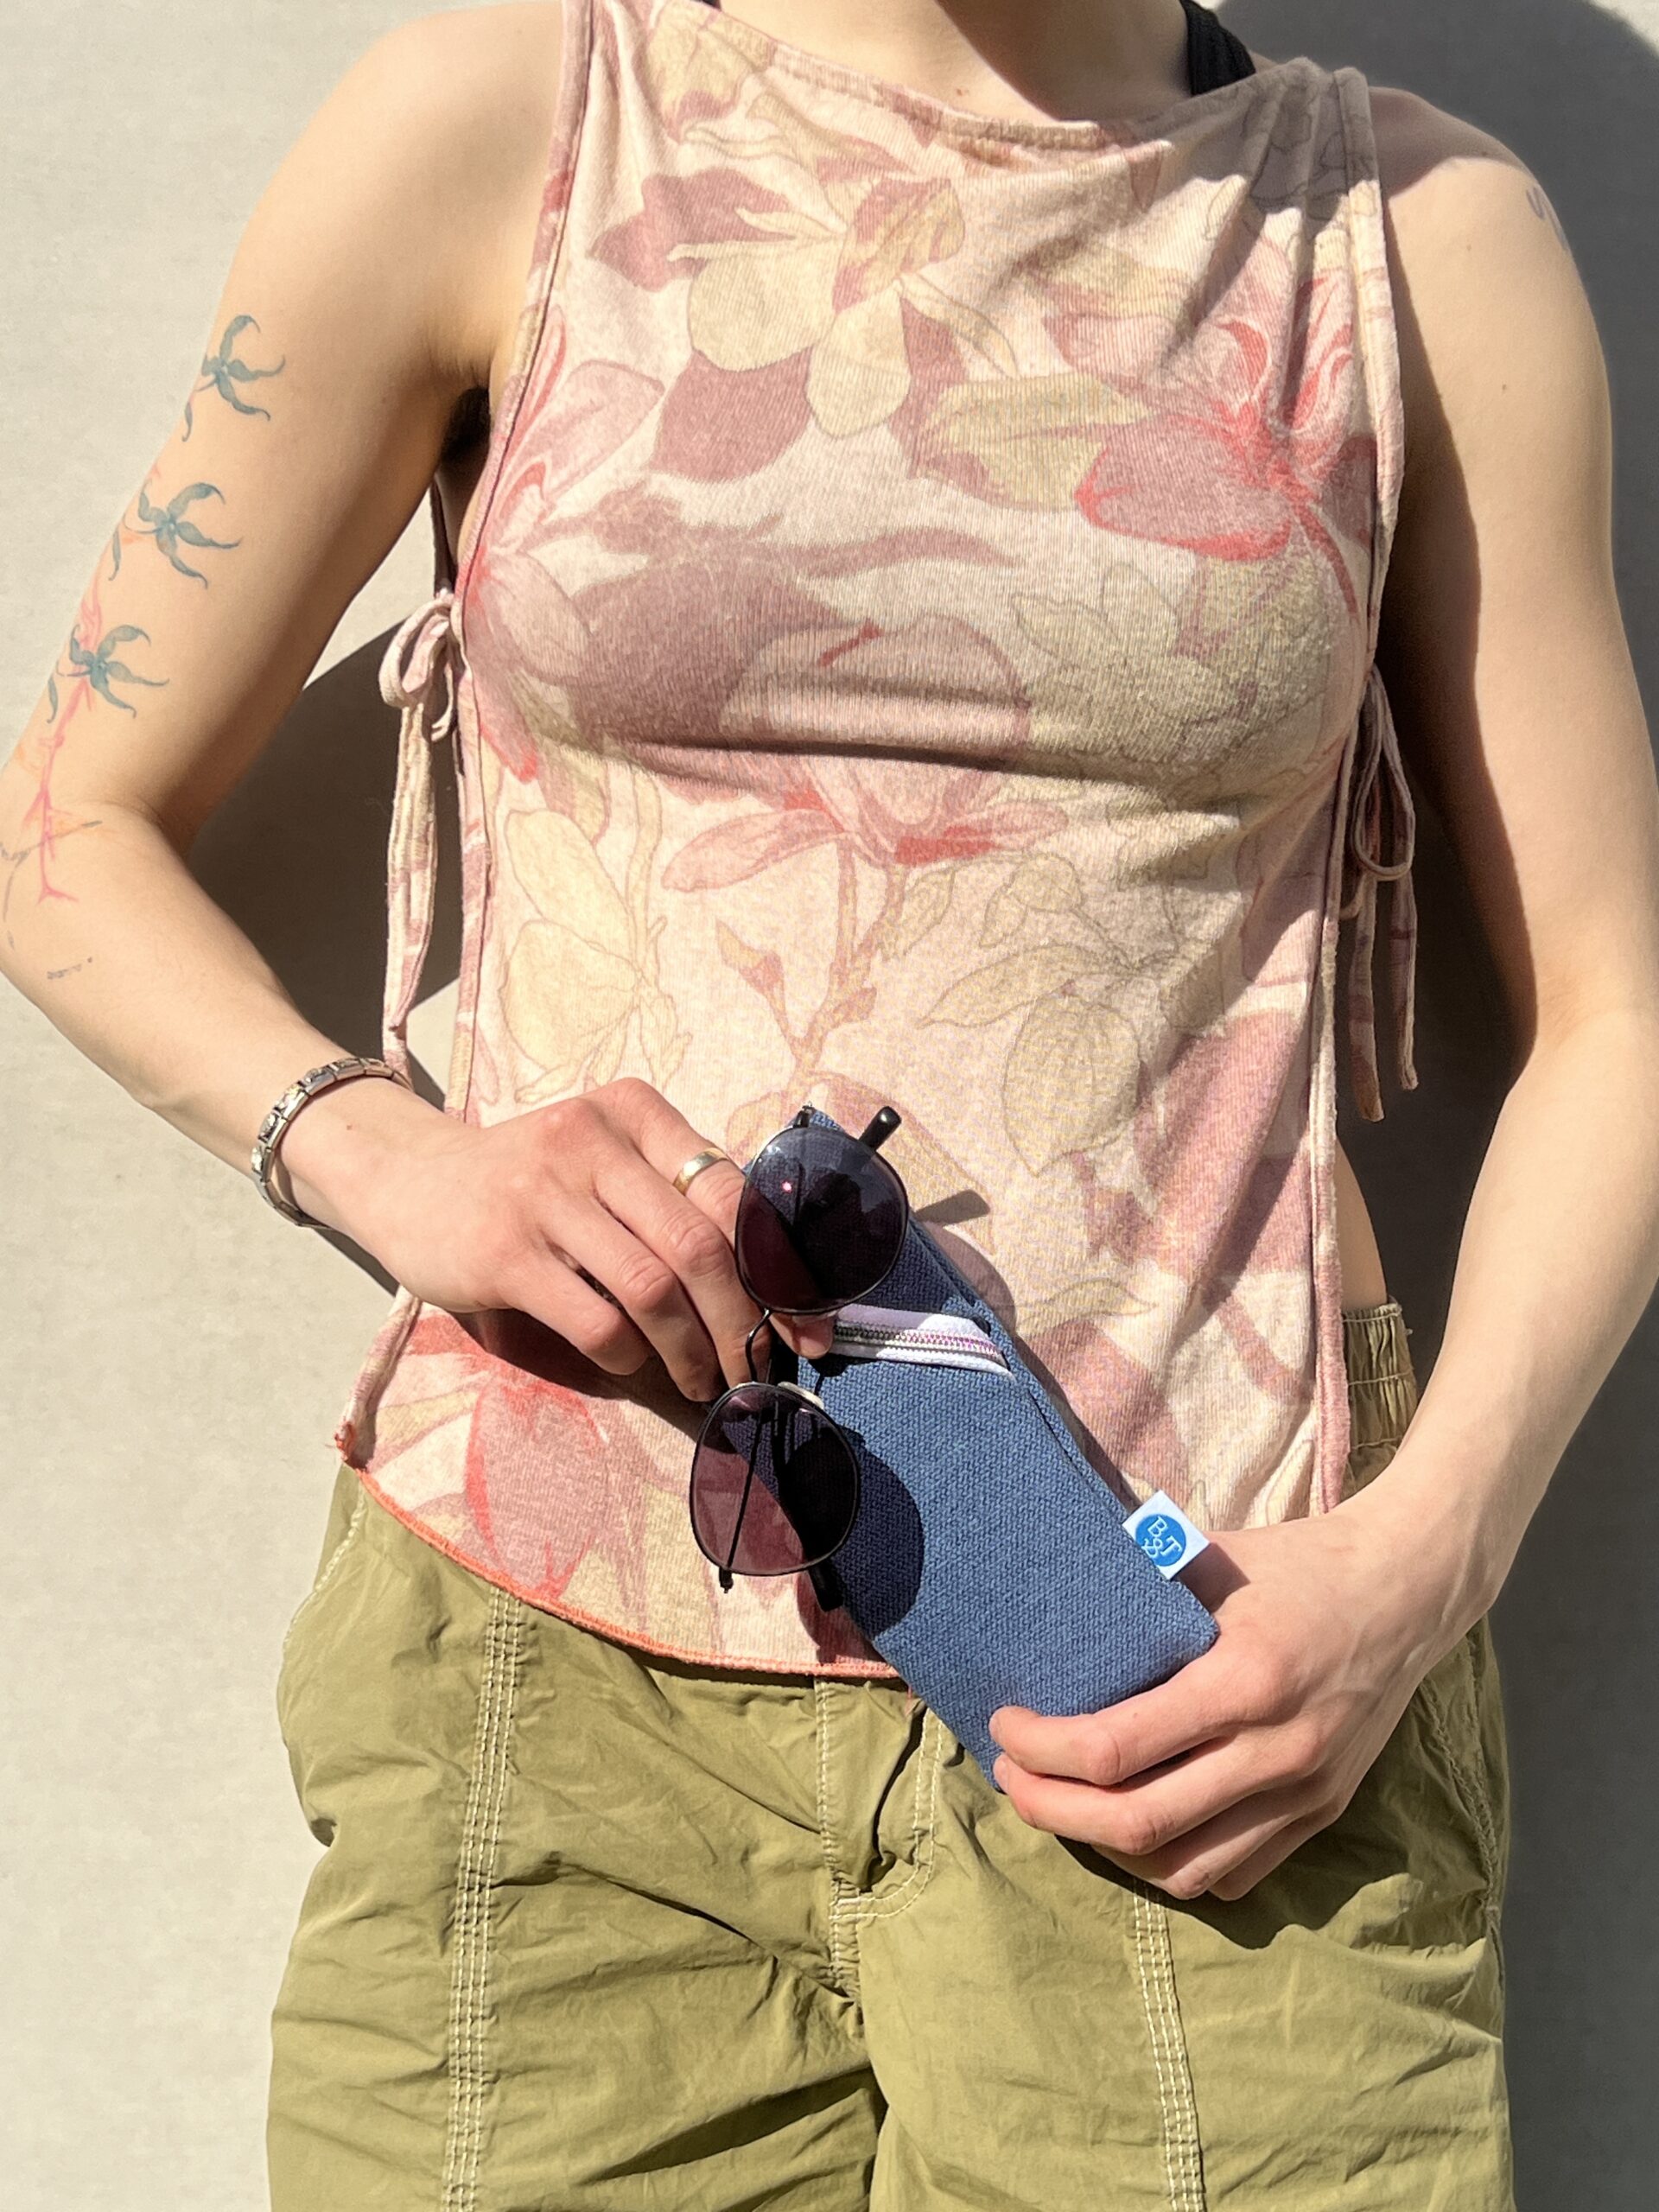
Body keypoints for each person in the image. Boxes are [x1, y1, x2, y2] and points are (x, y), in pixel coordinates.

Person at [3, 0, 1656, 2202]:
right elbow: (66, 827)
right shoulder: (512, 125)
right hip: (551, 1662)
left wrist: (1424, 1560)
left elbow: (1619, 1010)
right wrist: (393, 1157)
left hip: (1197, 1671)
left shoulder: (1410, 236)